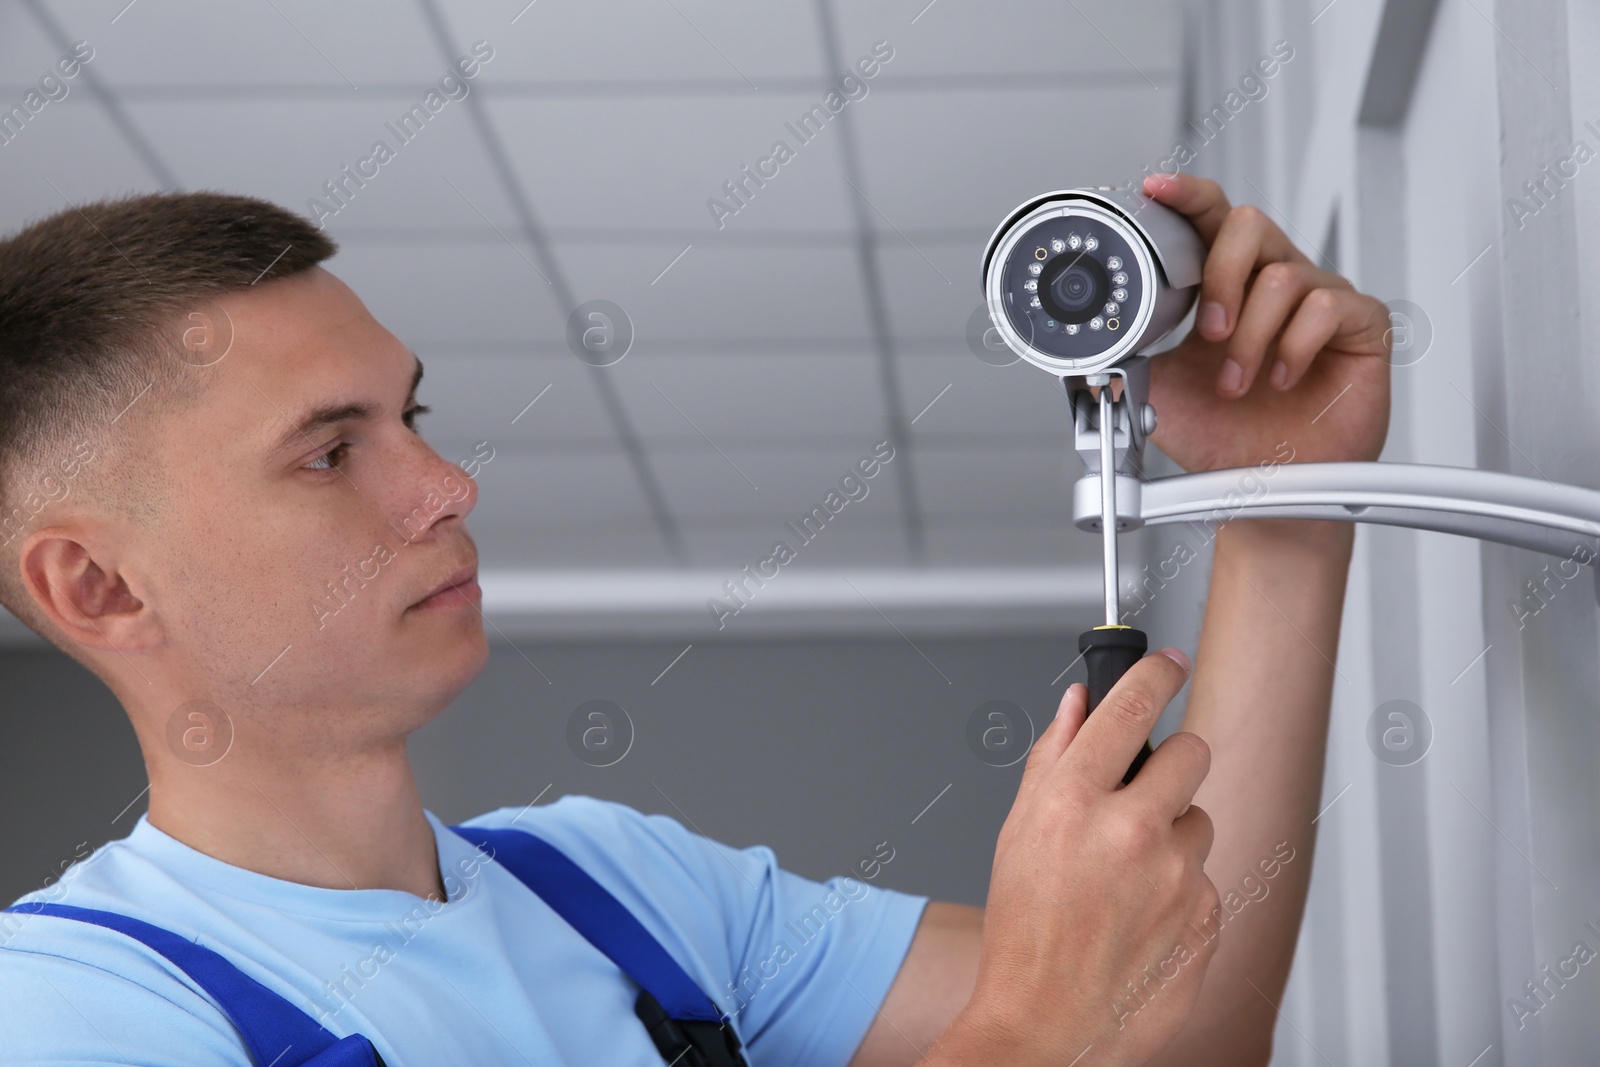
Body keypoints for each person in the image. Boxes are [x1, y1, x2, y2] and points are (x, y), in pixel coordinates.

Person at [0, 171, 1390, 1065]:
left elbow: (1183, 1028)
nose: (443, 485)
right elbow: (1067, 1030)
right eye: (327, 452)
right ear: (99, 589)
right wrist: (1027, 1020)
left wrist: (1283, 502)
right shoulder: (72, 1014)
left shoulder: (612, 890)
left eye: (408, 417)